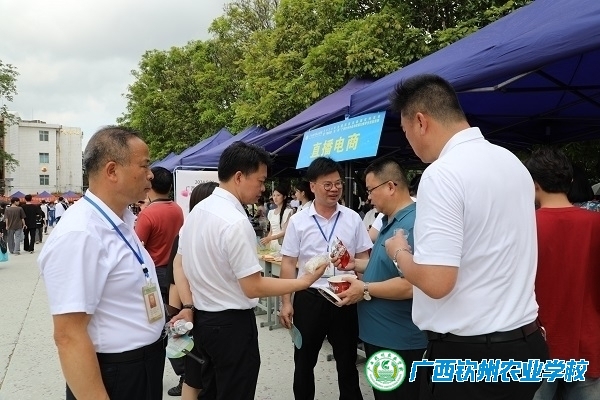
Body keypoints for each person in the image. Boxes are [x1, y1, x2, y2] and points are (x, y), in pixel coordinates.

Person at [385, 74, 548, 399]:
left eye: (405, 131)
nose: (409, 142)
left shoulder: (442, 174)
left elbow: (437, 281)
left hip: (471, 360)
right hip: (524, 346)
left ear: (421, 122)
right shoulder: (512, 163)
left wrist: (399, 252)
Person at [174, 141, 327, 400]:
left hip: (204, 321)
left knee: (211, 390)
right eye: (260, 180)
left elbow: (180, 263)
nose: (263, 188)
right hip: (231, 325)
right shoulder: (235, 221)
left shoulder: (198, 211)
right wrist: (303, 282)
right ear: (238, 177)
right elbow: (253, 286)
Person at [38, 126, 166, 400]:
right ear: (112, 171)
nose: (151, 174)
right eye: (144, 165)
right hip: (115, 374)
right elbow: (69, 336)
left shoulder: (122, 220)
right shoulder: (81, 233)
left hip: (144, 363)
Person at [279, 156, 373, 400]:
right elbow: (288, 263)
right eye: (327, 184)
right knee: (304, 361)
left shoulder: (352, 218)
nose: (334, 189)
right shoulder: (298, 221)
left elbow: (363, 256)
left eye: (338, 183)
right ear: (312, 186)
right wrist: (286, 302)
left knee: (347, 361)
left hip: (345, 296)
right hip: (310, 297)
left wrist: (363, 291)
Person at [333, 158, 427, 400]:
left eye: (371, 190)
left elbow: (412, 284)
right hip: (380, 336)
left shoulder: (412, 225)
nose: (368, 198)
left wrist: (364, 288)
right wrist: (355, 264)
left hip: (399, 340)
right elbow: (386, 267)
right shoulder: (389, 221)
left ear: (391, 186)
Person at [524, 148, 600, 400]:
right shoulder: (595, 224)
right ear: (570, 180)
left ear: (533, 184)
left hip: (537, 343)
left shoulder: (525, 227)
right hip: (588, 344)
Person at [134, 166, 185, 396]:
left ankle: (184, 373)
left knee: (161, 327)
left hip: (155, 276)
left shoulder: (147, 214)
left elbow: (136, 248)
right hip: (176, 273)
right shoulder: (178, 209)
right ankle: (187, 372)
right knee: (176, 323)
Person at [167, 181, 218, 400]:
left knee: (198, 376)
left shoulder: (200, 232)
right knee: (194, 377)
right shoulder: (186, 234)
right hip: (195, 315)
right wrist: (177, 314)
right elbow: (175, 278)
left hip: (200, 313)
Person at [260, 184, 293, 251]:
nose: (275, 198)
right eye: (274, 195)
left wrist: (270, 238)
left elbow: (285, 232)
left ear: (284, 197)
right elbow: (271, 231)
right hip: (272, 243)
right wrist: (267, 241)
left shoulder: (288, 212)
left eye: (278, 195)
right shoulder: (271, 212)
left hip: (282, 244)